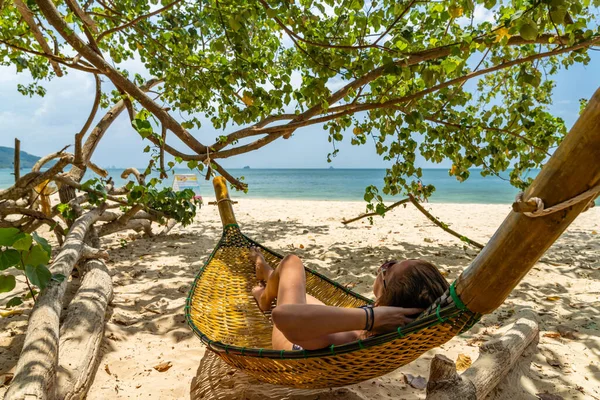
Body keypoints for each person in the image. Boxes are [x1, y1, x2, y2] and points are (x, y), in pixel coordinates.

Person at [250, 248, 450, 351]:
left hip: (292, 341)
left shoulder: (358, 332)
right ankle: (267, 274)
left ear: (388, 298)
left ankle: (264, 295)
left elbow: (282, 316)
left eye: (389, 267)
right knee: (294, 288)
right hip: (309, 325)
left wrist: (371, 316)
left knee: (291, 262)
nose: (384, 266)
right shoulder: (393, 329)